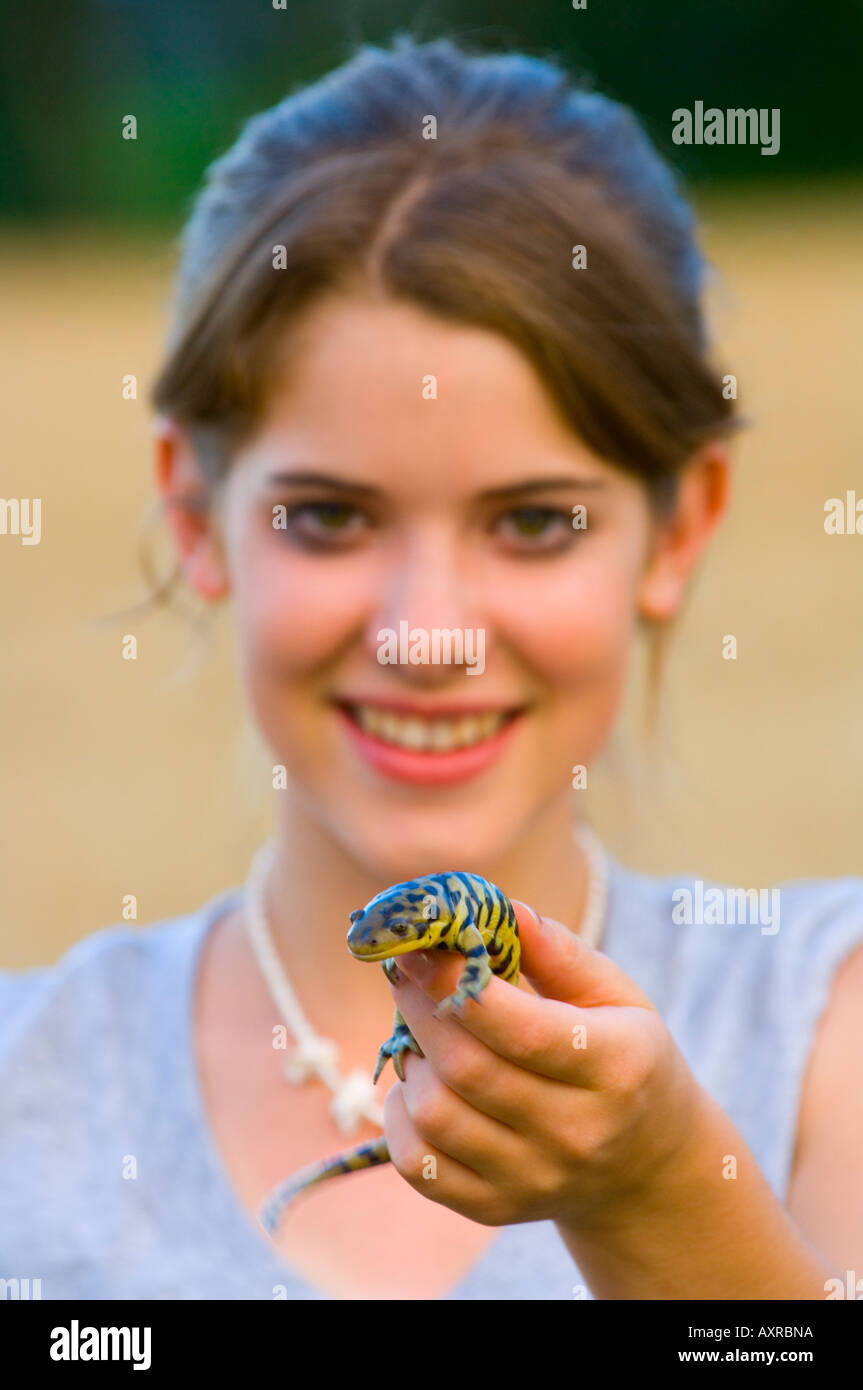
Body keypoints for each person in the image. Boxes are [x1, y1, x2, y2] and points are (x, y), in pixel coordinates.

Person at [2, 34, 861, 1302]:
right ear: (194, 515)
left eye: (531, 522)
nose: (428, 631)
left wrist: (659, 1197)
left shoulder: (817, 1030)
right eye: (331, 518)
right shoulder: (39, 1083)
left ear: (678, 529)